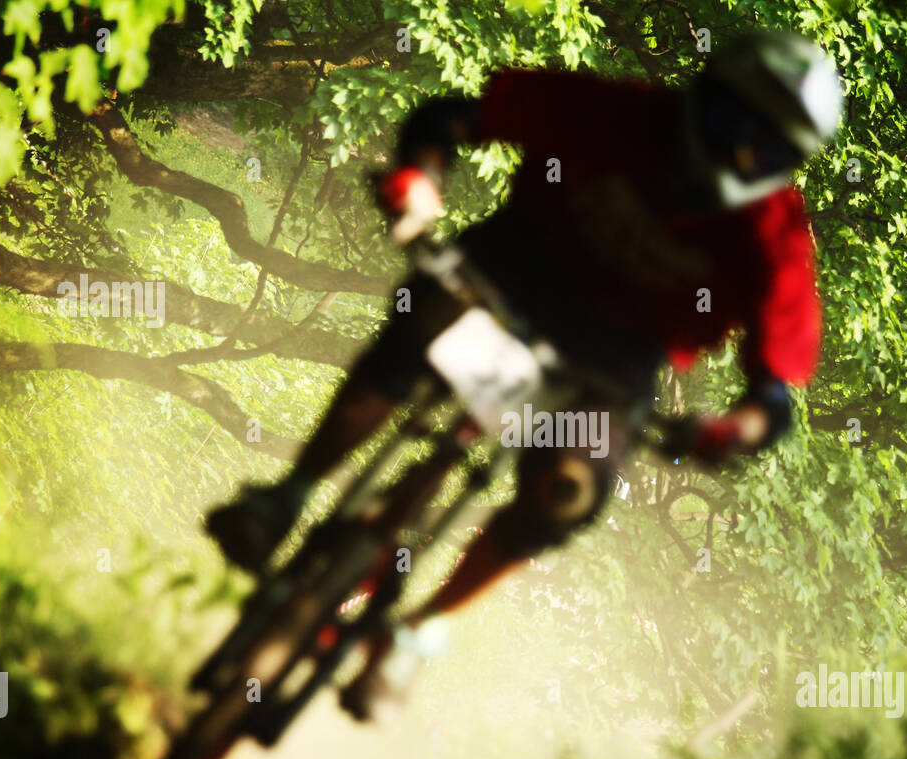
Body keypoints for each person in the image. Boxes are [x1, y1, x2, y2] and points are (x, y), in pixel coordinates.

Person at [206, 29, 842, 720]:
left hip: (612, 363)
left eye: (766, 147)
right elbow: (454, 119)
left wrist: (732, 429)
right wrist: (419, 181)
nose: (737, 152)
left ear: (790, 164)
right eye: (731, 122)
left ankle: (419, 633)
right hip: (510, 275)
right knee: (425, 319)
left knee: (567, 491)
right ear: (701, 95)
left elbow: (774, 388)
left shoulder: (773, 235)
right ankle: (287, 497)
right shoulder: (615, 111)